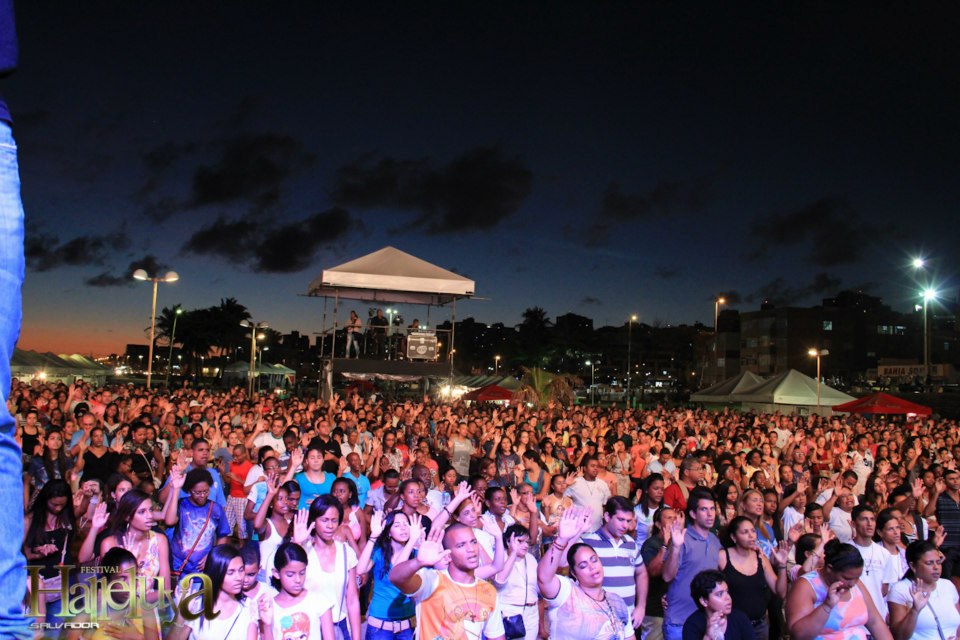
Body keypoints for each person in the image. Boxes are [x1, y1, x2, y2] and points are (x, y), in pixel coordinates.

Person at [390, 522, 507, 640]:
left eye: (473, 542)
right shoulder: (432, 581)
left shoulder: (488, 591)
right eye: (461, 545)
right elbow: (395, 578)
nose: (471, 549)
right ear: (448, 555)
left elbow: (496, 636)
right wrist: (418, 562)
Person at [537, 506, 631, 640]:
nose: (592, 567)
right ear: (574, 573)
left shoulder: (617, 601)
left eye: (594, 560)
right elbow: (544, 577)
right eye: (583, 565)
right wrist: (562, 539)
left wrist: (580, 530)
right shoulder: (567, 593)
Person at [785, 539, 893, 640]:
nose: (853, 583)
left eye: (857, 578)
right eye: (847, 578)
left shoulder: (856, 583)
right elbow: (798, 634)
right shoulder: (806, 585)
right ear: (830, 568)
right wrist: (826, 606)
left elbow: (875, 622)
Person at [293, 494, 361, 640]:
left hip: (339, 626)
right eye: (324, 520)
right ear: (314, 521)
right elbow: (288, 583)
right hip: (309, 628)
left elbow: (352, 600)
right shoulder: (303, 551)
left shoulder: (346, 552)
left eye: (334, 520)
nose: (330, 526)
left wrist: (357, 637)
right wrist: (297, 544)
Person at [580, 496, 649, 631]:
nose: (625, 525)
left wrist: (641, 606)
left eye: (628, 521)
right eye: (621, 519)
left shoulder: (630, 543)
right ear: (607, 516)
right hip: (598, 624)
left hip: (628, 622)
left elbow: (642, 573)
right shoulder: (588, 542)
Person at [662, 487, 722, 640]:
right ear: (693, 514)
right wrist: (675, 547)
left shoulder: (715, 541)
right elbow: (667, 576)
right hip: (679, 621)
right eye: (703, 509)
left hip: (706, 621)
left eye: (712, 509)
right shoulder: (682, 538)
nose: (710, 514)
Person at [717, 516, 788, 640]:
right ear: (734, 537)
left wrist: (782, 565)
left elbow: (780, 592)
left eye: (753, 531)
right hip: (731, 625)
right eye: (745, 532)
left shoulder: (761, 558)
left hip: (759, 626)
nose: (751, 535)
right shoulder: (722, 556)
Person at [170, 544, 259, 640]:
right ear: (216, 574)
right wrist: (181, 615)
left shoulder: (249, 607)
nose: (239, 577)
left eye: (241, 570)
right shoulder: (197, 606)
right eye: (231, 572)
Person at [356, 510, 421, 639]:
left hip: (407, 625)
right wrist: (373, 536)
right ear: (389, 532)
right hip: (379, 627)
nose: (403, 528)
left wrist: (414, 542)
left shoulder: (416, 554)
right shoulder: (379, 552)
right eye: (397, 525)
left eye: (406, 524)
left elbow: (400, 573)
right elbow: (360, 569)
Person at [259, 541, 336, 640]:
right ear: (276, 573)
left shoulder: (319, 602)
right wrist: (267, 625)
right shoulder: (269, 608)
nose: (298, 580)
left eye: (302, 573)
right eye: (290, 575)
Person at [888, 539, 960, 640]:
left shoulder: (948, 585)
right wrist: (914, 610)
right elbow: (899, 636)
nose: (936, 567)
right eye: (929, 563)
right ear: (913, 566)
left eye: (938, 562)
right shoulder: (900, 590)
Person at [849, 504, 899, 621]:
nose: (869, 523)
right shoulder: (845, 549)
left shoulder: (884, 553)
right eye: (864, 519)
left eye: (872, 519)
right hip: (851, 615)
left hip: (877, 615)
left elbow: (884, 588)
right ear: (853, 524)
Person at [494, 524, 540, 640]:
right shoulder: (501, 557)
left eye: (527, 542)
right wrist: (513, 553)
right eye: (520, 541)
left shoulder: (531, 558)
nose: (525, 545)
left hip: (532, 613)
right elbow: (499, 581)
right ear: (508, 542)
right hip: (510, 613)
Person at [681, 569, 754, 640]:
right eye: (719, 594)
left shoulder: (740, 618)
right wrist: (708, 636)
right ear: (703, 601)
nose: (728, 597)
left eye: (727, 592)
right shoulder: (692, 626)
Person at [565, 455, 612, 531]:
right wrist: (566, 485)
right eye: (592, 466)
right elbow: (563, 500)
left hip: (598, 528)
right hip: (578, 528)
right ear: (585, 468)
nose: (596, 468)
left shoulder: (603, 484)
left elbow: (605, 505)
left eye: (597, 466)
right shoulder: (575, 482)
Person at [634, 473, 665, 547]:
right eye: (656, 488)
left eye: (662, 489)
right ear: (646, 490)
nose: (660, 492)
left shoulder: (666, 510)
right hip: (640, 552)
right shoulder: (636, 511)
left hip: (661, 552)